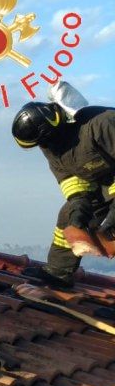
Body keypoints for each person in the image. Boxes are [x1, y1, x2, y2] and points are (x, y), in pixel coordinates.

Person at [11, 85, 115, 288]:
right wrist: (78, 210)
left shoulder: (102, 124)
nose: (42, 147)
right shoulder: (50, 144)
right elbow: (70, 179)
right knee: (68, 216)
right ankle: (58, 275)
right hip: (106, 182)